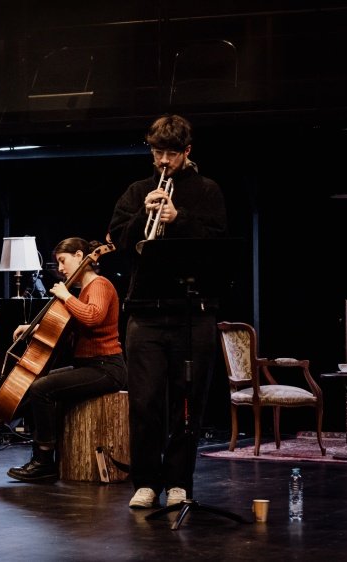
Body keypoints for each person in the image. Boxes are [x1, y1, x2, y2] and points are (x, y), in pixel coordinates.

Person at [107, 114, 228, 508]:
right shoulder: (137, 190)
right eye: (157, 152)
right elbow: (119, 245)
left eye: (171, 154)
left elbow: (218, 243)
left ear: (187, 151)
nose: (162, 161)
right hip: (145, 313)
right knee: (143, 402)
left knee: (187, 404)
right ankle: (145, 482)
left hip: (194, 314)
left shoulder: (207, 190)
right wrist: (145, 214)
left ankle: (179, 483)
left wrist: (179, 219)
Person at [6, 237, 127, 482]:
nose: (60, 269)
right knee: (37, 384)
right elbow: (66, 326)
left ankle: (44, 461)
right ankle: (43, 456)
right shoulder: (83, 291)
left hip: (107, 367)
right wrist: (33, 326)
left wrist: (65, 296)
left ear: (80, 256)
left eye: (63, 261)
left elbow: (92, 317)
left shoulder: (99, 285)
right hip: (90, 365)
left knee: (42, 389)